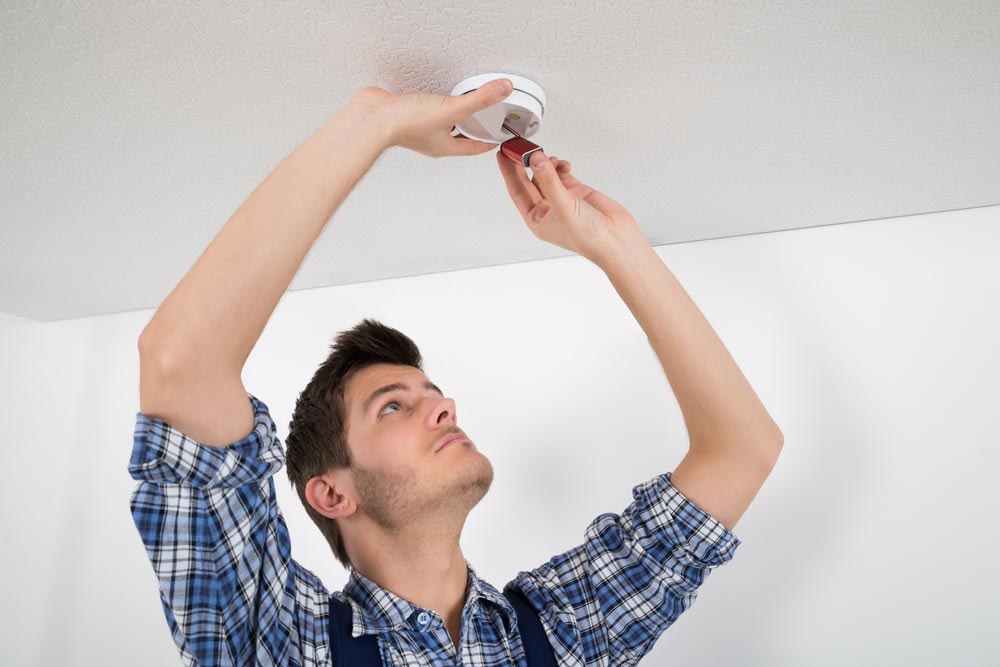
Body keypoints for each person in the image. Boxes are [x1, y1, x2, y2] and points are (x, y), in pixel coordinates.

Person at [130, 77, 784, 666]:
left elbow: (742, 451)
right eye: (392, 405)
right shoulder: (286, 645)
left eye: (432, 395)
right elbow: (180, 362)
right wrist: (371, 124)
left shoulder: (565, 631)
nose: (443, 408)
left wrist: (616, 245)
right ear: (332, 494)